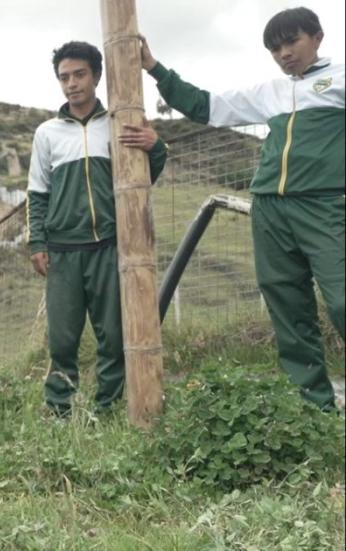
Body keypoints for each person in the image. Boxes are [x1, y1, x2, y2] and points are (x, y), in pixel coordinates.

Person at [140, 7, 344, 410]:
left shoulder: (340, 78)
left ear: (317, 37)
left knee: (341, 300)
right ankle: (312, 406)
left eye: (292, 42)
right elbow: (204, 106)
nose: (284, 53)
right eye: (275, 48)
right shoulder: (269, 91)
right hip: (268, 207)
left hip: (325, 205)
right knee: (287, 304)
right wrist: (154, 68)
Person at [27, 41, 167, 417]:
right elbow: (37, 193)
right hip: (63, 249)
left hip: (110, 246)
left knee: (113, 336)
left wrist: (157, 148)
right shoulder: (48, 133)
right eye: (64, 77)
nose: (72, 84)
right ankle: (60, 411)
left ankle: (107, 409)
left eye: (79, 75)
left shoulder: (118, 123)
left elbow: (146, 173)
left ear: (97, 75)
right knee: (62, 339)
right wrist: (37, 242)